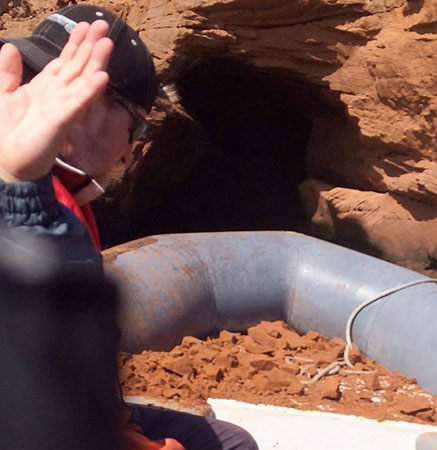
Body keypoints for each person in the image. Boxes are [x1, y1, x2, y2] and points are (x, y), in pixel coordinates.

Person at [0, 4, 258, 450]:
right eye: (135, 129)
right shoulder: (41, 207)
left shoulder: (51, 200)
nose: (128, 154)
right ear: (91, 109)